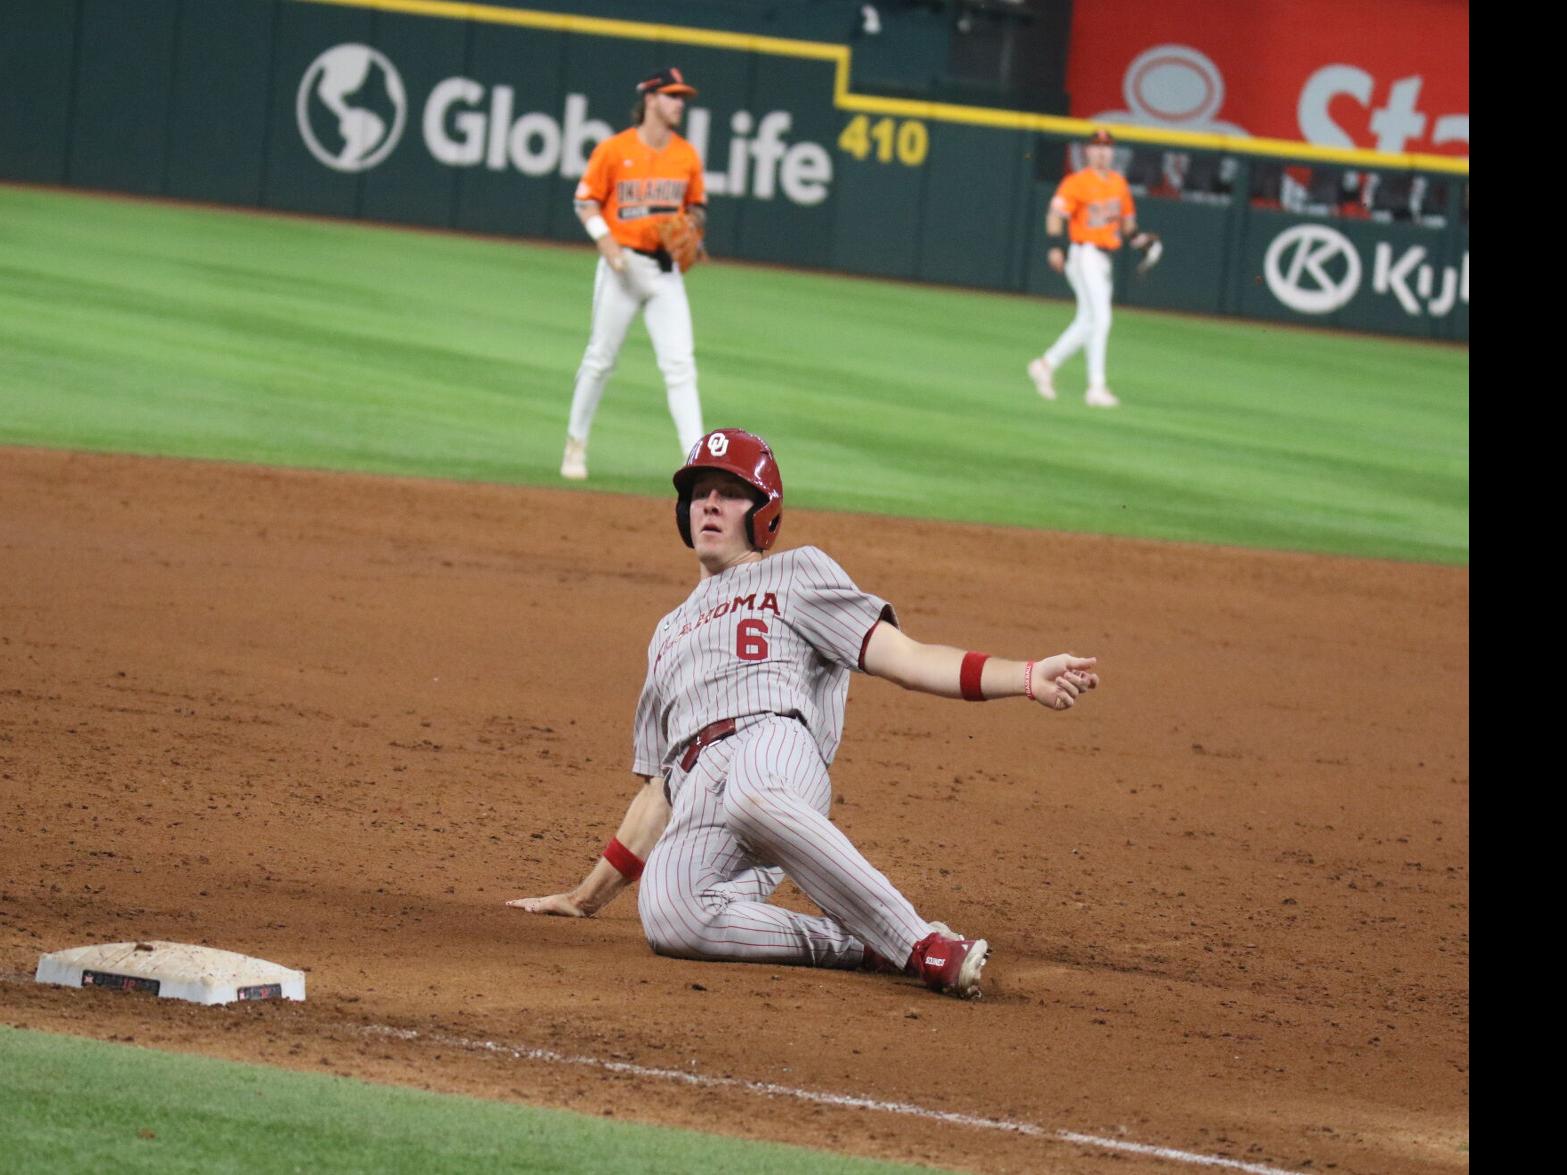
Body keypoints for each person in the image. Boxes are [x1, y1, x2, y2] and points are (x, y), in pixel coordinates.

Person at [509, 428, 1101, 1000]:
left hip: (775, 749)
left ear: (761, 512)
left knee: (752, 794)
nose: (710, 504)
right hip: (698, 789)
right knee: (668, 915)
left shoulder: (798, 573)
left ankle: (925, 945)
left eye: (730, 492)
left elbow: (908, 659)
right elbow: (658, 793)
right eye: (700, 492)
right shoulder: (666, 635)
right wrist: (585, 898)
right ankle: (865, 944)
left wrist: (1023, 676)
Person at [560, 67, 708, 481]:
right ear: (651, 99)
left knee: (680, 367)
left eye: (683, 97)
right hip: (621, 266)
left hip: (665, 272)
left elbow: (697, 207)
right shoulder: (613, 150)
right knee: (600, 359)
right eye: (673, 96)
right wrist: (604, 241)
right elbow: (584, 201)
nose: (680, 104)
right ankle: (575, 445)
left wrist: (692, 229)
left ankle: (697, 462)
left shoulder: (686, 155)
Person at [1029, 128, 1155, 409]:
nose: (1102, 151)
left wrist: (1141, 241)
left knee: (1087, 320)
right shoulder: (1076, 182)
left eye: (1107, 146)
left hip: (1103, 259)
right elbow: (1055, 215)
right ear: (1087, 151)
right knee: (1101, 318)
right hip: (1084, 253)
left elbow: (1127, 225)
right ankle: (1096, 387)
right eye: (1097, 146)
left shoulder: (1119, 184)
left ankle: (1045, 364)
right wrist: (1054, 246)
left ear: (1113, 151)